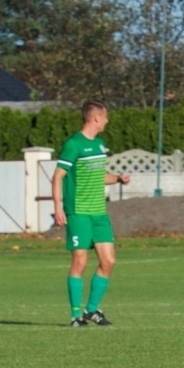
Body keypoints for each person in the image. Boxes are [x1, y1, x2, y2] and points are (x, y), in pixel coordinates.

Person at [53, 101, 131, 326]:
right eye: (105, 117)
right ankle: (75, 314)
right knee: (80, 262)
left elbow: (99, 174)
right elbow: (58, 176)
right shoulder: (74, 144)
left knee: (109, 261)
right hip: (78, 212)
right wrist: (58, 207)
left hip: (99, 213)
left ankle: (92, 310)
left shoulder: (99, 144)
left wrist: (117, 178)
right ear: (96, 118)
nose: (107, 121)